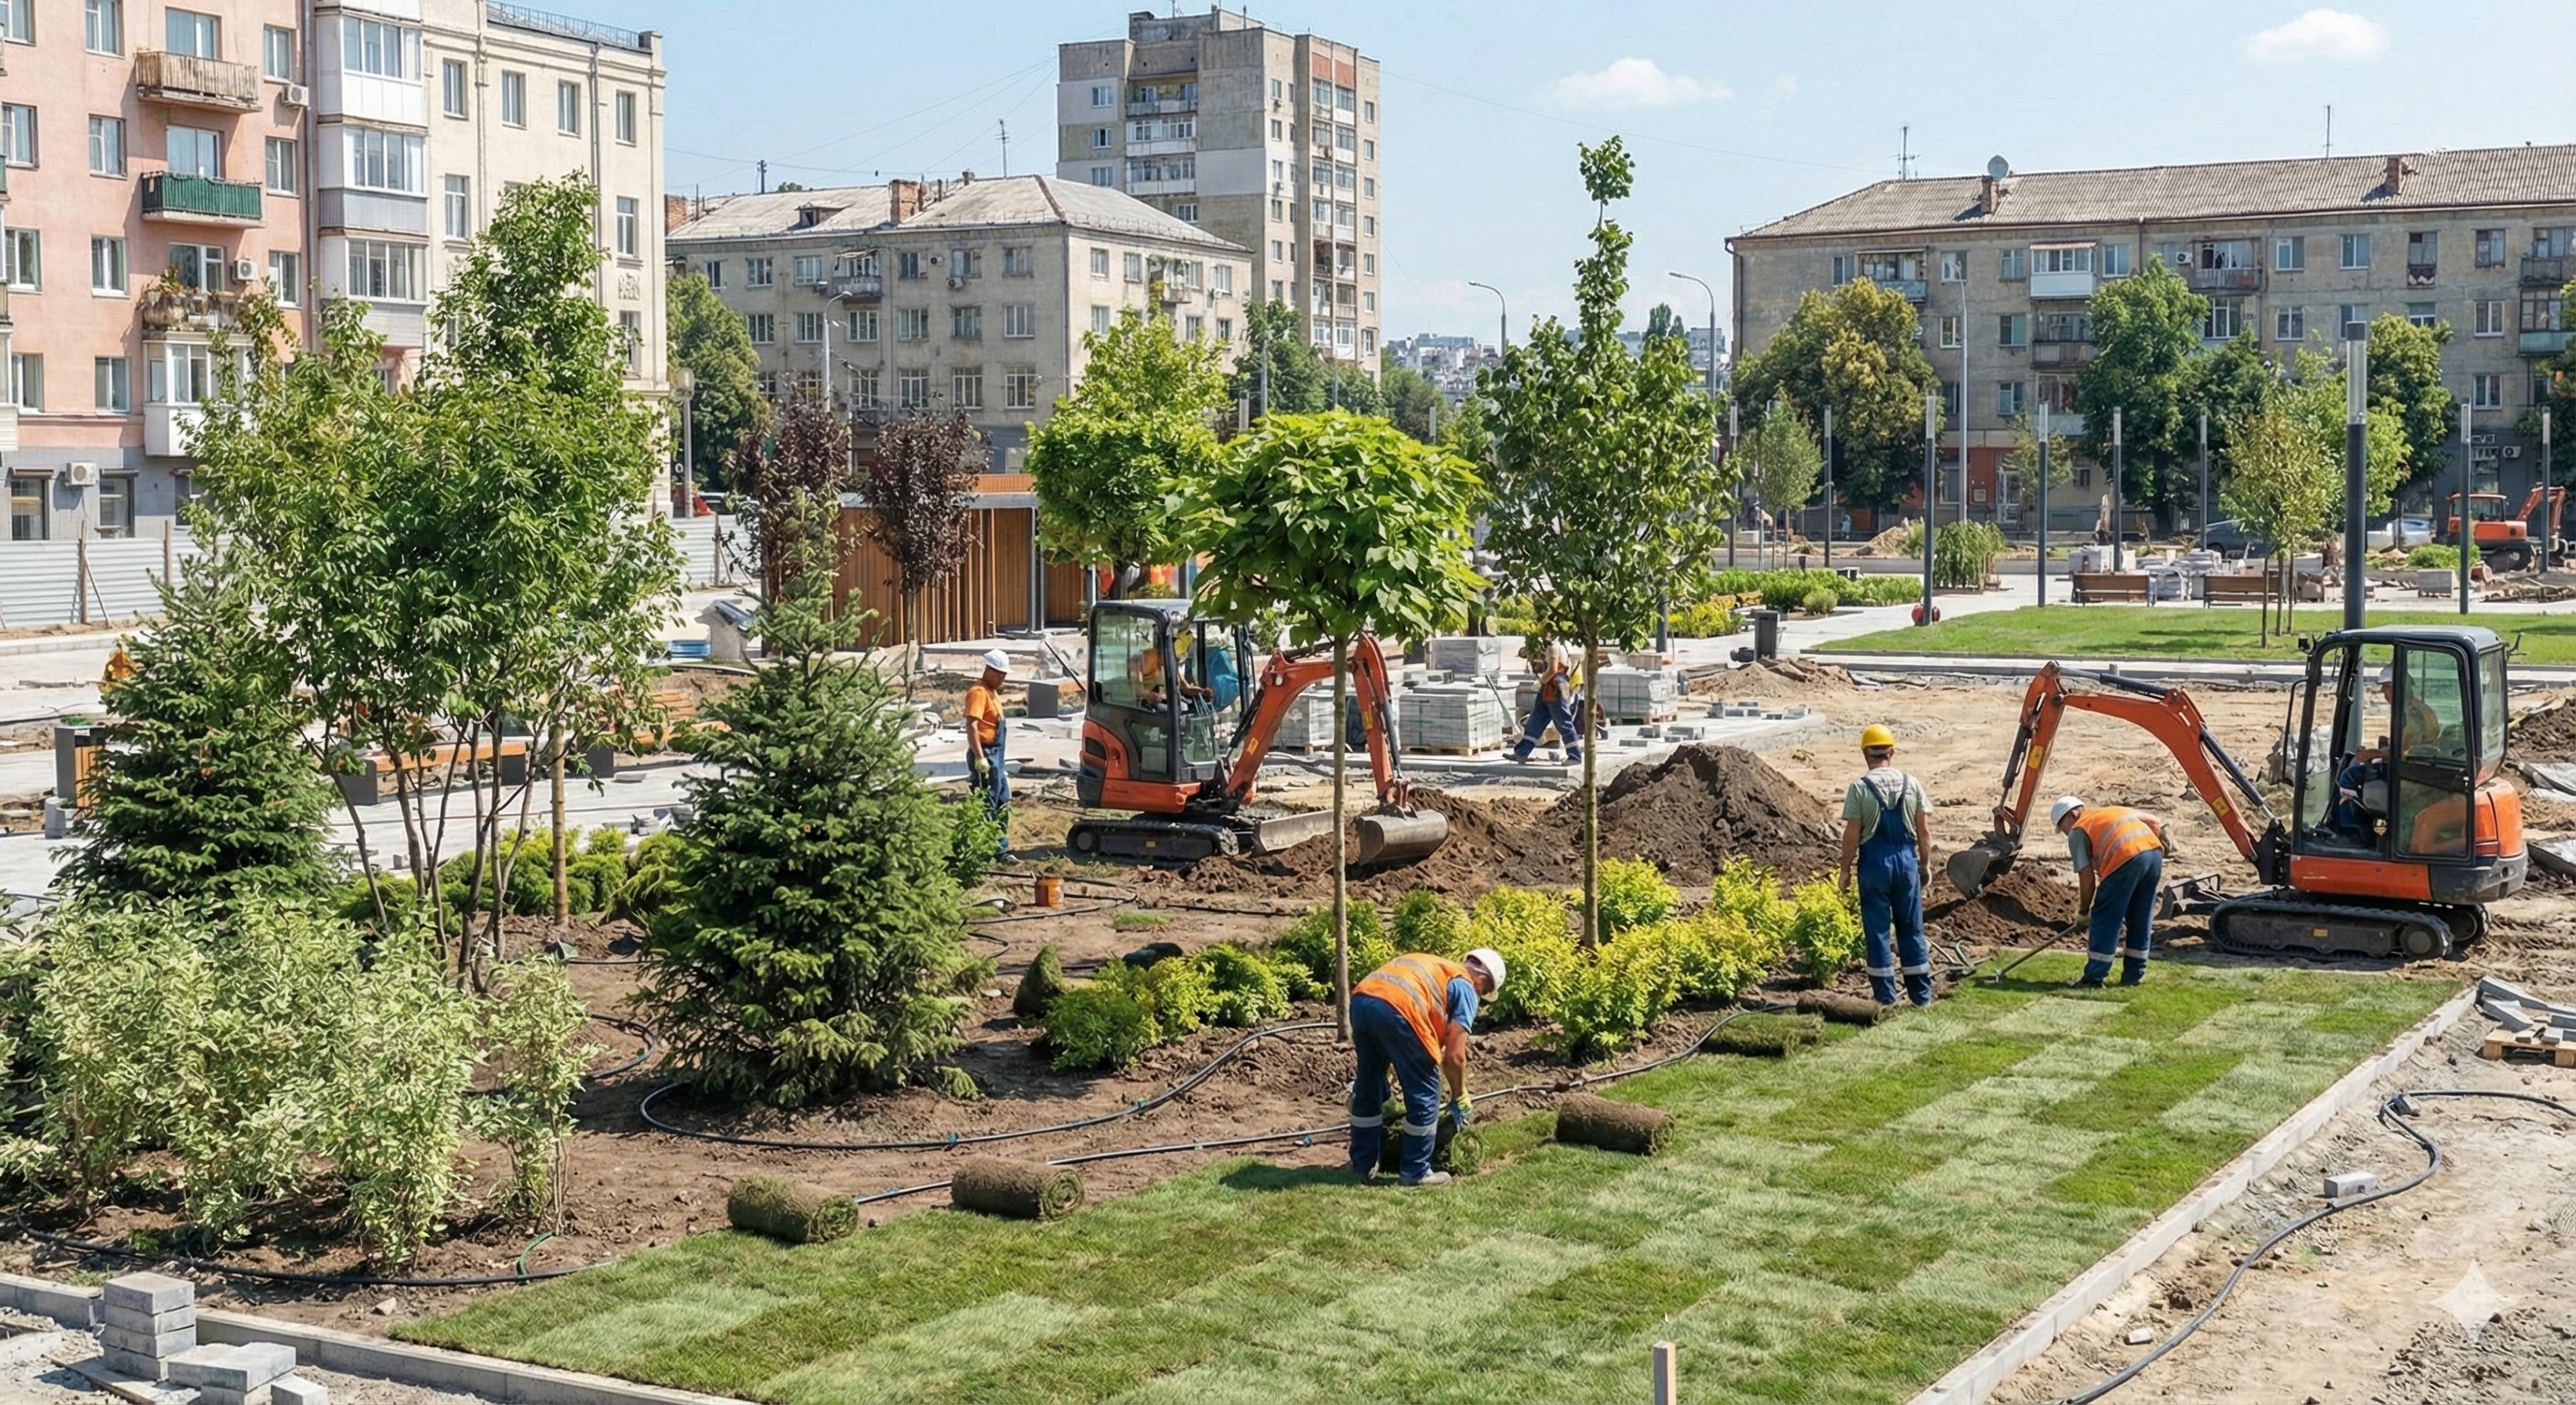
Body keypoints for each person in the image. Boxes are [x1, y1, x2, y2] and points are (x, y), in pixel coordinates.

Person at [1347, 948, 1506, 1187]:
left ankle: (1361, 1166)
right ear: (1481, 980)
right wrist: (1459, 1094)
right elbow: (1454, 1057)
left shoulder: (1435, 965)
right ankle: (1416, 1171)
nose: (1480, 997)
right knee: (1426, 1092)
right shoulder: (1466, 987)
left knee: (1369, 1085)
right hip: (1401, 1008)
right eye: (1484, 992)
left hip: (1362, 1000)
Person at [1838, 724, 1933, 1007]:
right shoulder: (1912, 783)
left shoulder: (1859, 788)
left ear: (1865, 754)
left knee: (1878, 930)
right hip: (1906, 862)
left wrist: (1845, 869)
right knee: (1911, 929)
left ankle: (1885, 999)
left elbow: (1852, 833)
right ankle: (1921, 998)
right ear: (1892, 752)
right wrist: (1925, 865)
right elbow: (1924, 831)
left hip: (1874, 863)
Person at [2053, 795, 2168, 988]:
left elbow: (2086, 876)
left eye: (2061, 827)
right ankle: (2133, 976)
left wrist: (2083, 910)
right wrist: (2143, 850)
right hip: (2153, 855)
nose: (2065, 833)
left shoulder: (2078, 830)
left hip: (2125, 859)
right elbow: (2154, 822)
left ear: (2072, 815)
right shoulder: (2110, 811)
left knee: (2105, 916)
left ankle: (2094, 979)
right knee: (2140, 916)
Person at [2332, 666, 2443, 839]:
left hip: (2409, 775)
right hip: (2418, 768)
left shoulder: (2411, 715)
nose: (2384, 693)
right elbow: (2404, 745)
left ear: (2394, 687)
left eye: (2385, 688)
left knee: (2348, 776)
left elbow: (2404, 753)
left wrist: (2372, 754)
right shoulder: (2417, 708)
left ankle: (2350, 833)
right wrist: (2382, 747)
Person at [963, 649, 1011, 860]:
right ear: (988, 670)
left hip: (997, 756)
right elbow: (972, 726)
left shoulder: (992, 693)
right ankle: (984, 851)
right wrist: (980, 757)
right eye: (999, 674)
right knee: (987, 802)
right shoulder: (978, 692)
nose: (1002, 678)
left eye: (1004, 675)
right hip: (986, 754)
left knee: (1002, 799)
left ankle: (1000, 850)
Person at [1508, 643, 1582, 766]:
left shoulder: (1553, 646)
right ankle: (1522, 753)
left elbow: (1553, 669)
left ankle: (1575, 756)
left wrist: (1542, 680)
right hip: (1550, 686)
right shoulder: (1552, 646)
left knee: (1563, 722)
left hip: (1554, 686)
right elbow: (1523, 653)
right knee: (1535, 721)